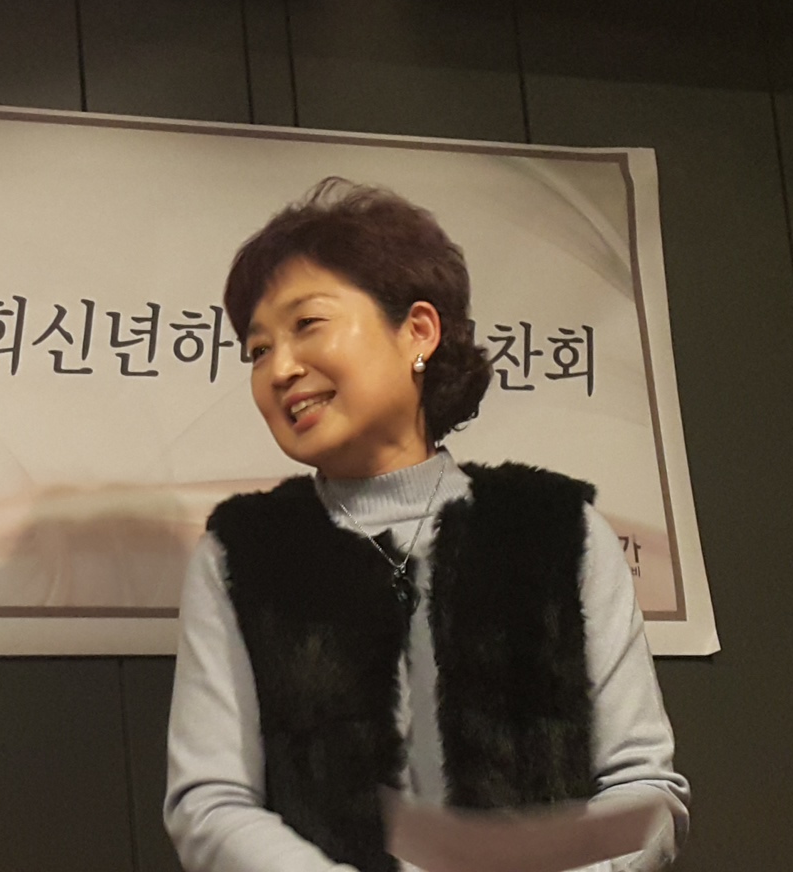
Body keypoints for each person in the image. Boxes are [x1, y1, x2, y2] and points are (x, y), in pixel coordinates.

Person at [163, 179, 689, 872]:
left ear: (417, 331)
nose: (280, 369)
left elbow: (643, 789)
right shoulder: (243, 553)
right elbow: (210, 801)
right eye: (257, 350)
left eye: (307, 325)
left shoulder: (557, 530)